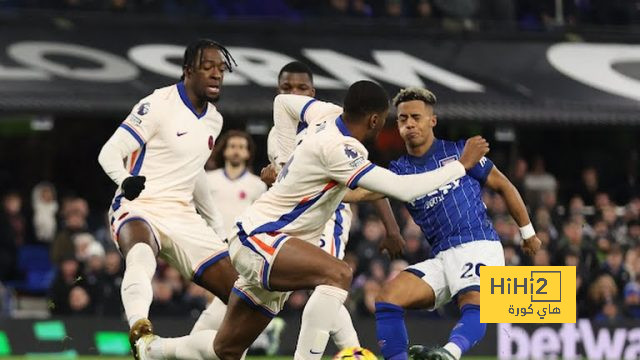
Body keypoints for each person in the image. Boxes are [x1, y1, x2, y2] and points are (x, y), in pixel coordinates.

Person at [137, 80, 488, 359]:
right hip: (263, 238)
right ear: (375, 120)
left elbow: (283, 104)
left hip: (267, 241)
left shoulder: (326, 114)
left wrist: (284, 159)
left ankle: (154, 350)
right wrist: (462, 164)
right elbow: (401, 188)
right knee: (338, 273)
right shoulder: (341, 150)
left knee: (225, 350)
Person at [362, 87, 541, 360]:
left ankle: (449, 353)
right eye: (402, 119)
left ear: (432, 120)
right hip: (441, 257)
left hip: (477, 243)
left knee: (475, 302)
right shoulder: (399, 170)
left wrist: (527, 233)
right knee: (388, 298)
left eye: (416, 117)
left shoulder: (460, 151)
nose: (409, 123)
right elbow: (370, 191)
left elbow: (504, 185)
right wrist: (392, 230)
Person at [97, 38, 239, 358]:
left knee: (243, 297)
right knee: (141, 255)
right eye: (208, 67)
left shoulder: (214, 119)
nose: (216, 74)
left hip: (182, 215)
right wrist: (125, 180)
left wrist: (216, 224)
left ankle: (172, 351)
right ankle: (141, 334)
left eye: (221, 69)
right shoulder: (158, 104)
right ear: (188, 71)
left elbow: (195, 170)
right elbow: (109, 153)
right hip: (139, 204)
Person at [262, 61, 405, 349]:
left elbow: (369, 178)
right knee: (325, 287)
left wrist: (391, 228)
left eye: (301, 87)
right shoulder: (276, 137)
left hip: (330, 216)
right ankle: (354, 352)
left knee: (327, 283)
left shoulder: (335, 122)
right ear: (279, 92)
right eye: (287, 88)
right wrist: (270, 176)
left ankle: (351, 351)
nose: (295, 93)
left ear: (312, 92)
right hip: (293, 220)